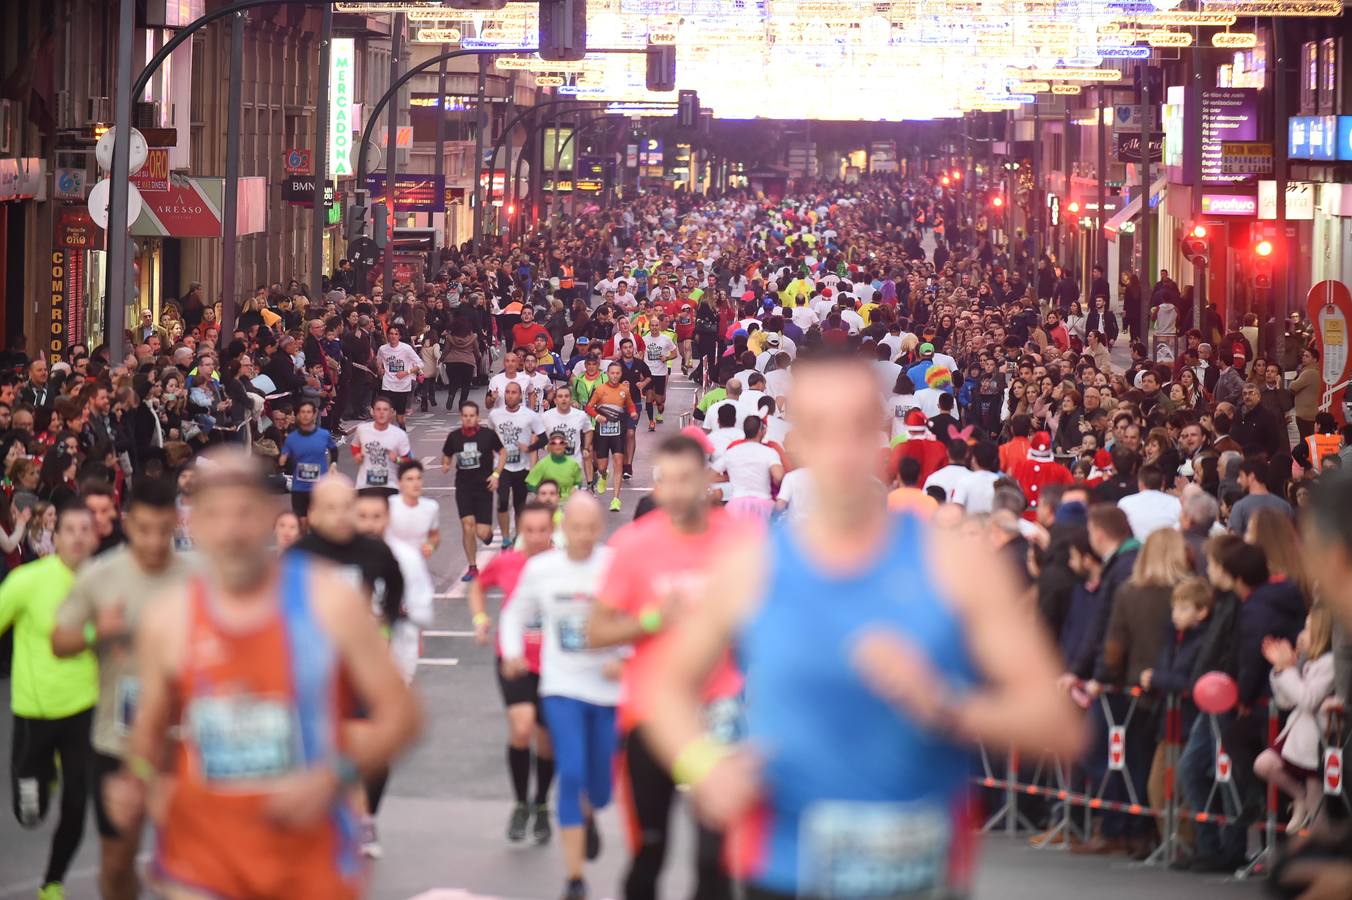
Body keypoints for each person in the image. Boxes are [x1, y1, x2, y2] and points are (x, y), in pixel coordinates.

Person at [639, 352, 1083, 900]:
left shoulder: (955, 563)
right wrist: (705, 764)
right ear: (796, 442)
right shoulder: (751, 566)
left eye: (857, 427)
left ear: (883, 434)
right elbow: (663, 685)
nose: (842, 451)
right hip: (785, 870)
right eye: (822, 429)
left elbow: (1059, 724)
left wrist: (946, 706)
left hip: (915, 874)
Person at [102, 452, 421, 897]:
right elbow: (149, 730)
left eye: (244, 512)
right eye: (214, 514)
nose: (230, 531)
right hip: (201, 858)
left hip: (309, 862)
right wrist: (136, 780)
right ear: (192, 524)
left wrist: (333, 775)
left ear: (269, 517)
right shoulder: (169, 619)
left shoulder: (329, 601)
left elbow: (403, 716)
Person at [588, 434, 743, 900]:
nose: (673, 491)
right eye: (664, 481)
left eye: (685, 479)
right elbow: (595, 631)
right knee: (650, 850)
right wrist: (655, 618)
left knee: (715, 857)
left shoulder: (740, 540)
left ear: (707, 480)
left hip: (719, 711)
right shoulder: (634, 544)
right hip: (651, 715)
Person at [50, 479, 193, 900]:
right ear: (129, 525)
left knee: (191, 861)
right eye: (144, 529)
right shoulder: (100, 577)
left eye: (163, 530)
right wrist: (98, 631)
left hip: (183, 741)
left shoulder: (199, 576)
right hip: (118, 742)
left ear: (176, 523)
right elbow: (60, 641)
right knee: (117, 859)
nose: (153, 541)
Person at [499, 494, 624, 900]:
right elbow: (515, 613)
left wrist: (625, 657)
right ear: (562, 528)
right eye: (575, 527)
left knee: (602, 789)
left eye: (591, 527)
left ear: (600, 528)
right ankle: (574, 879)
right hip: (562, 687)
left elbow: (634, 617)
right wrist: (513, 651)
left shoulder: (614, 567)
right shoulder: (542, 569)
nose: (583, 535)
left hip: (606, 690)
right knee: (570, 772)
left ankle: (590, 816)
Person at [291, 474, 412, 858]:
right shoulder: (298, 556)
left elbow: (395, 586)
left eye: (347, 507)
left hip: (361, 669)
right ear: (312, 512)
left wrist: (386, 625)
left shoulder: (373, 552)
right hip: (313, 673)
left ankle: (367, 819)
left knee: (375, 745)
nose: (340, 516)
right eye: (330, 508)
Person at [1, 503, 99, 900]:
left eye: (84, 530)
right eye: (68, 529)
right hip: (34, 710)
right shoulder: (27, 580)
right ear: (54, 539)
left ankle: (52, 883)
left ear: (94, 538)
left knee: (77, 803)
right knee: (30, 814)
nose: (77, 536)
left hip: (83, 707)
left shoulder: (103, 582)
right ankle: (44, 777)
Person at [468, 501, 558, 845]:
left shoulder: (562, 566)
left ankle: (541, 804)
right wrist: (480, 619)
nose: (535, 537)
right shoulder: (508, 563)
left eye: (542, 530)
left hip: (554, 666)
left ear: (552, 530)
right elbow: (478, 586)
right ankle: (521, 802)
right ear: (520, 529)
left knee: (546, 741)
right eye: (529, 530)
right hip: (514, 661)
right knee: (522, 729)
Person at [1253, 604, 1335, 833]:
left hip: (1314, 741)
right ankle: (1299, 797)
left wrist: (1288, 670)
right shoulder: (1310, 661)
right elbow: (1286, 701)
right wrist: (1281, 670)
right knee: (1264, 764)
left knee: (1317, 808)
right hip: (1297, 735)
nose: (1302, 634)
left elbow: (1308, 699)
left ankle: (1322, 853)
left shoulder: (1328, 664)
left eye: (1308, 628)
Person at [442, 400, 503, 581]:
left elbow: (503, 452)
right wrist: (446, 464)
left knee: (482, 533)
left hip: (484, 488)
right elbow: (447, 454)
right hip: (464, 487)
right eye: (465, 416)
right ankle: (472, 567)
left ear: (478, 417)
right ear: (461, 417)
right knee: (467, 526)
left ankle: (488, 534)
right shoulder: (454, 437)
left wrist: (496, 474)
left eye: (472, 416)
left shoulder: (488, 435)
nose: (468, 419)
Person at [490, 382, 544, 547]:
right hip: (502, 467)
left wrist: (530, 448)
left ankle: (519, 538)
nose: (510, 395)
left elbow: (544, 438)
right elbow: (490, 437)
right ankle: (506, 538)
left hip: (523, 466)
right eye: (507, 392)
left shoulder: (530, 415)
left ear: (520, 396)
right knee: (503, 502)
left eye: (514, 392)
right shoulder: (495, 415)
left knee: (520, 506)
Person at [586, 362, 639, 513]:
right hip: (602, 433)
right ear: (607, 374)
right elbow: (589, 407)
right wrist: (597, 416)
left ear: (620, 374)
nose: (615, 376)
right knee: (601, 466)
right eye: (612, 373)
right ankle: (603, 475)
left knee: (618, 463)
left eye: (617, 373)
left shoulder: (624, 390)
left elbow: (630, 404)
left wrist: (633, 412)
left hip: (618, 431)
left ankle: (616, 499)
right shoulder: (600, 389)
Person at [278, 398, 337, 526]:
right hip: (299, 487)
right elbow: (282, 459)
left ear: (314, 414)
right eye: (303, 412)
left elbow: (334, 449)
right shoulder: (292, 437)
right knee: (302, 523)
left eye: (309, 412)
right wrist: (282, 461)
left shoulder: (324, 435)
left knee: (319, 522)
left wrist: (333, 464)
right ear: (298, 415)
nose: (306, 415)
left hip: (319, 487)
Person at [352, 395, 412, 490]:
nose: (381, 413)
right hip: (365, 485)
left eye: (385, 410)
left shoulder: (399, 434)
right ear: (373, 412)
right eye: (378, 409)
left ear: (391, 413)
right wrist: (357, 455)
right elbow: (355, 445)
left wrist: (397, 459)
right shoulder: (362, 430)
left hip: (390, 486)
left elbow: (408, 460)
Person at [387, 459, 441, 559]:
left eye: (418, 478)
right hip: (391, 567)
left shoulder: (431, 507)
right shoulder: (388, 506)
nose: (416, 483)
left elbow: (435, 536)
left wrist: (430, 546)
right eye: (410, 479)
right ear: (399, 483)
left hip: (417, 566)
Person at [375, 323, 422, 428]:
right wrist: (380, 369)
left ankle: (402, 435)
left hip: (402, 387)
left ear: (399, 336)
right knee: (388, 415)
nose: (393, 336)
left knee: (400, 418)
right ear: (387, 335)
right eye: (391, 334)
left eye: (396, 334)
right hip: (387, 385)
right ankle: (389, 439)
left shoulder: (406, 348)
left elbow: (420, 364)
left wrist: (406, 372)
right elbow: (378, 361)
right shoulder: (383, 349)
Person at [528, 431, 587, 500]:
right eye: (554, 443)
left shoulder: (573, 464)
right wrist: (543, 492)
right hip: (549, 505)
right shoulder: (543, 464)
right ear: (549, 446)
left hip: (567, 503)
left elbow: (578, 482)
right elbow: (530, 484)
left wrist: (575, 489)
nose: (557, 446)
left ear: (565, 445)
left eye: (561, 443)